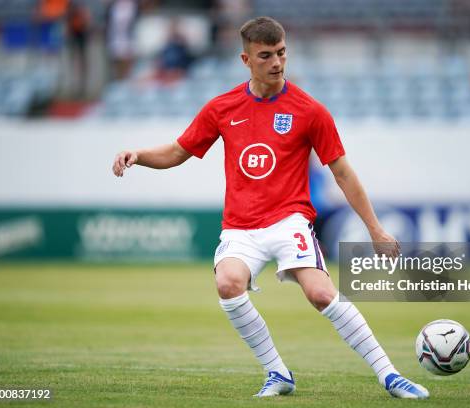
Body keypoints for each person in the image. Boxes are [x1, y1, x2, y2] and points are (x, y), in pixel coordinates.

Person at [111, 16, 429, 400]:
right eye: (266, 55)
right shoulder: (222, 108)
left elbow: (343, 173)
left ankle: (389, 375)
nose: (277, 63)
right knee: (228, 283)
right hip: (240, 228)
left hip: (288, 220)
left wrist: (375, 230)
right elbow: (178, 152)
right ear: (246, 60)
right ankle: (277, 373)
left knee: (321, 295)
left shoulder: (310, 110)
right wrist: (138, 155)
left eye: (281, 53)